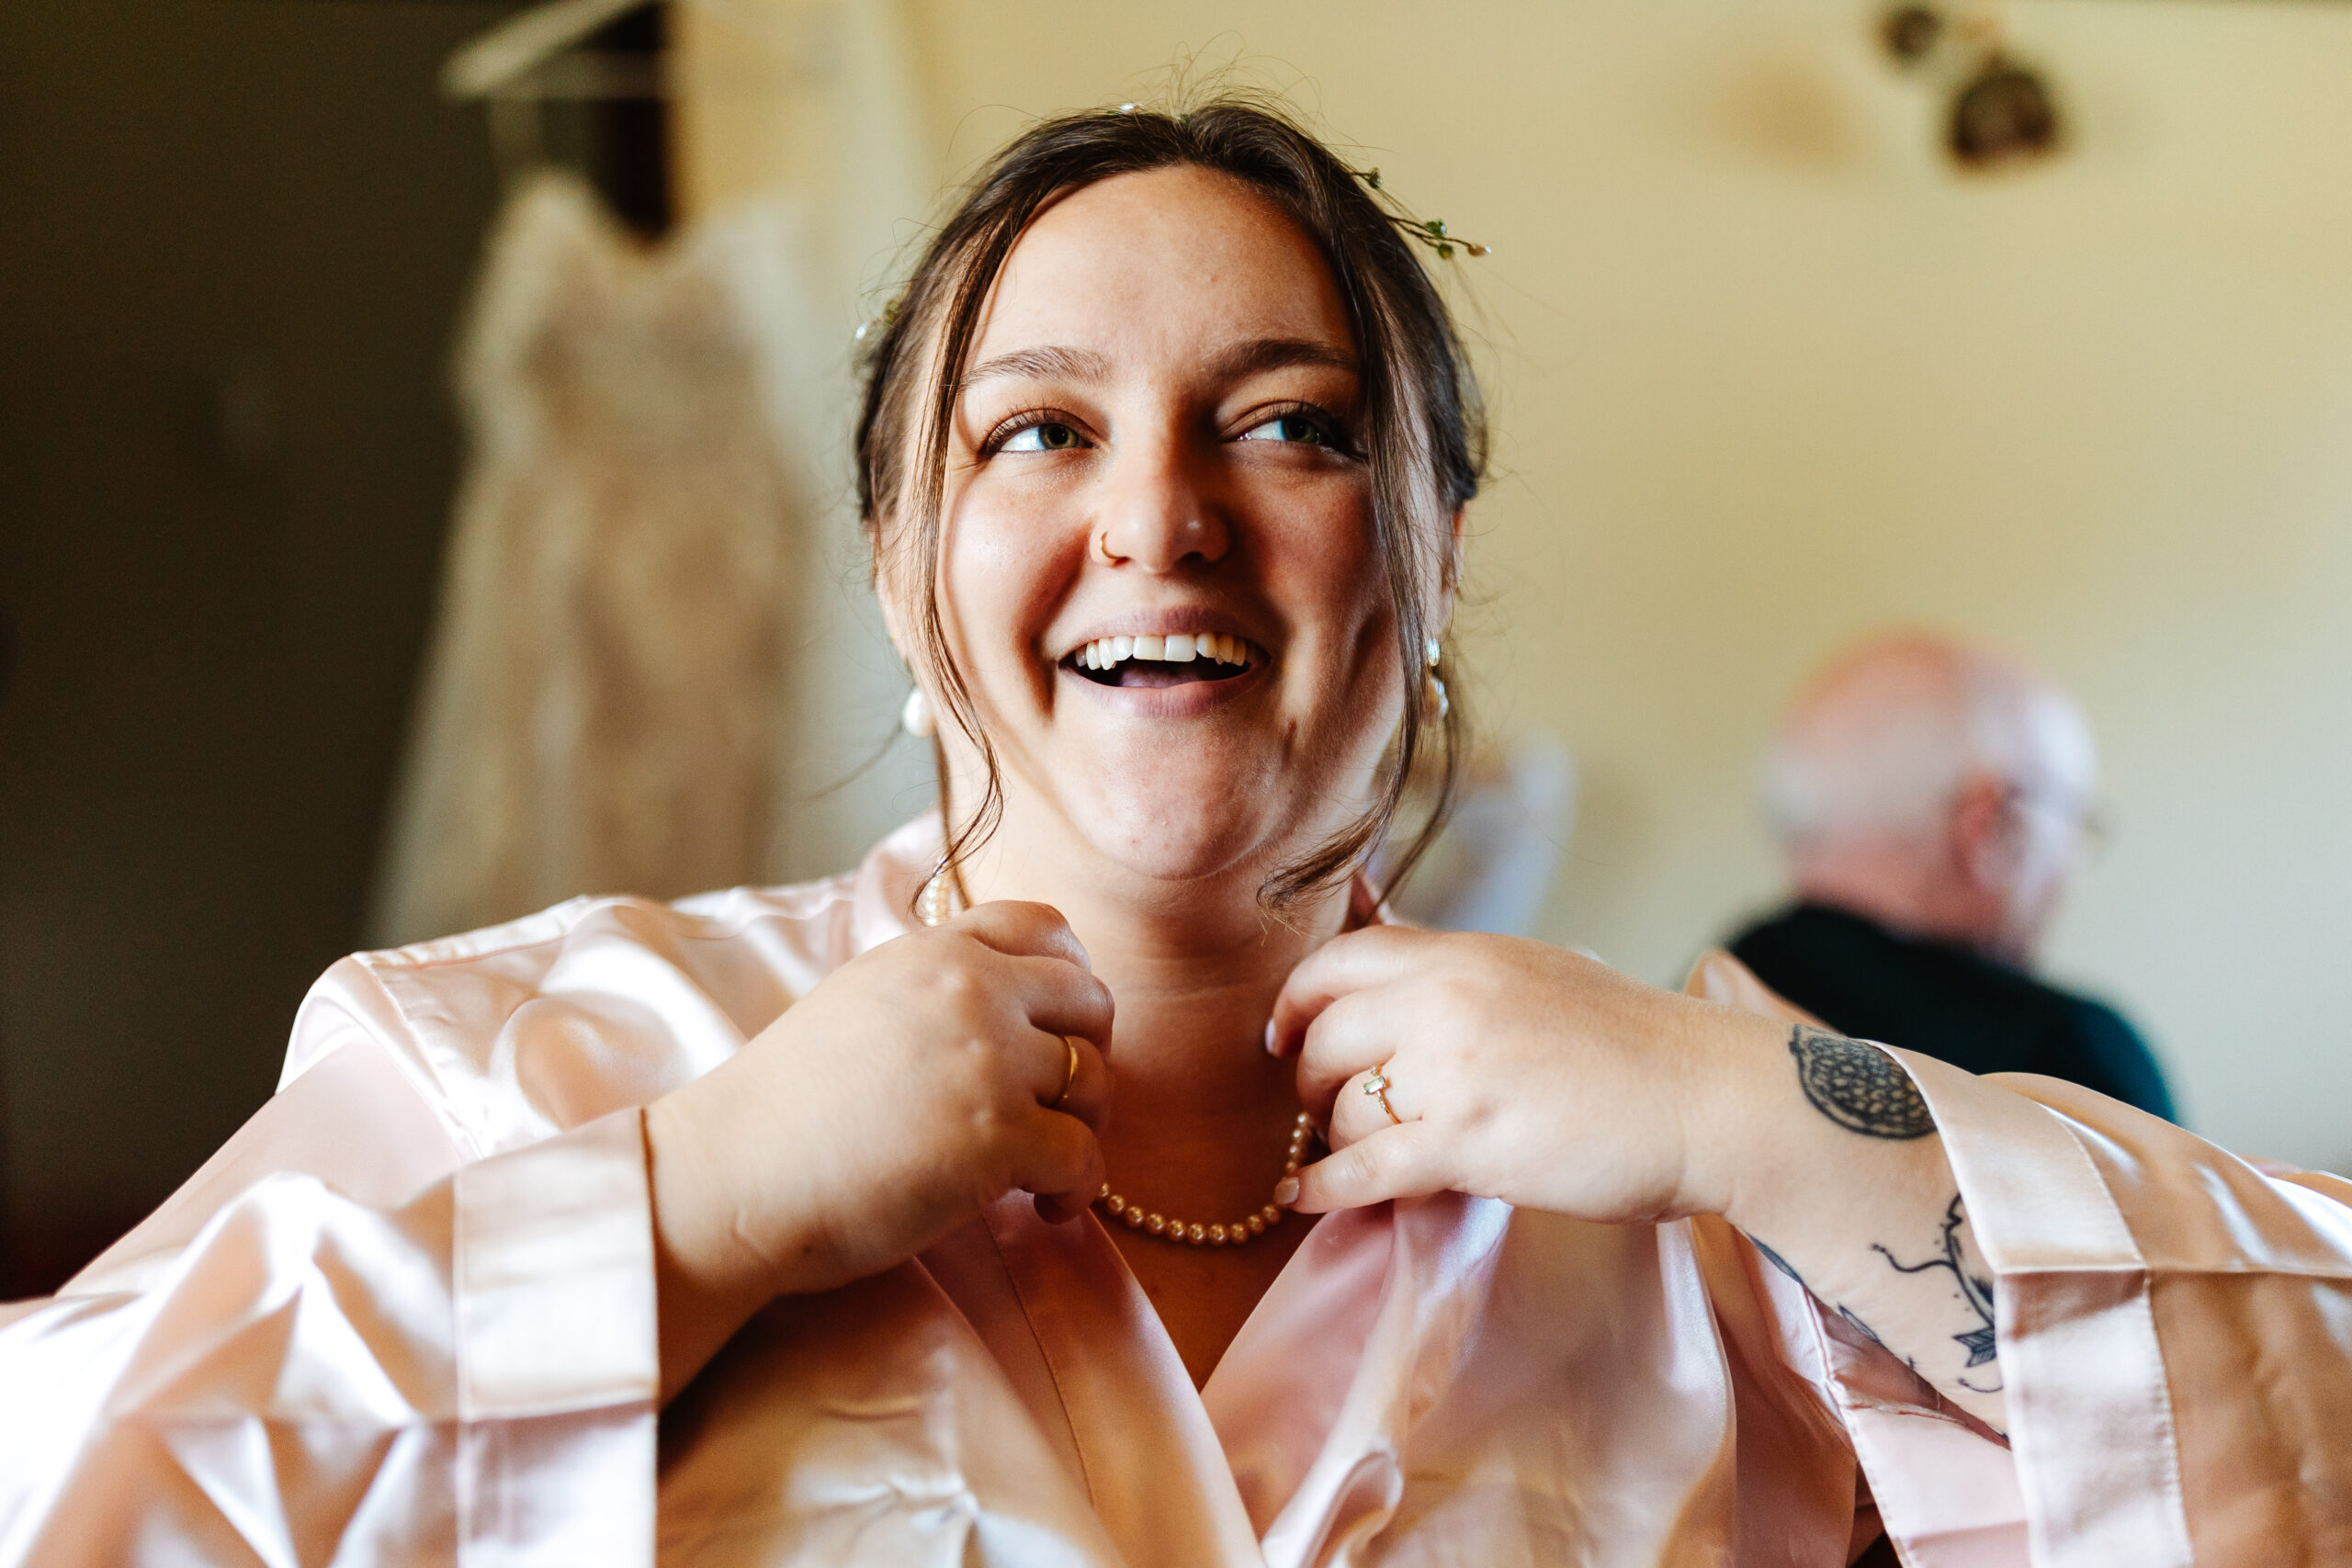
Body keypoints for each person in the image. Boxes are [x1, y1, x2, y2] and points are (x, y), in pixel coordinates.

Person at [1, 102, 2345, 1566]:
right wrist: (685, 1206)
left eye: (1291, 424)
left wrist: (1748, 1109)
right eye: (1033, 432)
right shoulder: (519, 1058)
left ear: (1428, 545)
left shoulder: (1701, 1179)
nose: (1158, 519)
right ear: (896, 575)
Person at [1731, 634, 2176, 1118]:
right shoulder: (2067, 1062)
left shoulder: (1695, 1003)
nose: (2074, 872)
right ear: (1989, 828)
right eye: (2073, 825)